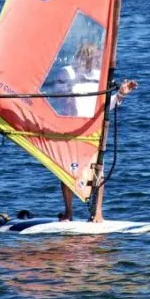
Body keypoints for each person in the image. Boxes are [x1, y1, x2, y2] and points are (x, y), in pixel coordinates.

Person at [59, 78, 138, 222]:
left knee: (98, 170)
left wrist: (120, 94)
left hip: (93, 131)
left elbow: (105, 106)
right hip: (71, 128)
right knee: (66, 171)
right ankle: (68, 212)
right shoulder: (69, 74)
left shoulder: (101, 77)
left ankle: (98, 212)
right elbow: (58, 97)